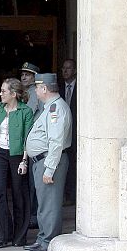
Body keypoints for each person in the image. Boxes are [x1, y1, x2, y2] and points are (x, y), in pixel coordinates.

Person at [24, 72, 72, 251]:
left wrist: (49, 169)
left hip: (49, 161)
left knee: (49, 204)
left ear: (44, 88)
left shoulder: (55, 109)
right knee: (44, 203)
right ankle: (43, 237)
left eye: (36, 87)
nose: (35, 90)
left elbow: (56, 142)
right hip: (42, 160)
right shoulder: (49, 107)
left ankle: (48, 240)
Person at [0, 78, 34, 248]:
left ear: (13, 94)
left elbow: (27, 137)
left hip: (17, 155)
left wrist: (24, 160)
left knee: (18, 194)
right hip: (0, 152)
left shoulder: (25, 111)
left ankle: (19, 236)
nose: (0, 94)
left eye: (4, 91)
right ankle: (3, 235)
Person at [20, 61, 42, 228]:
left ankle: (33, 216)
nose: (24, 76)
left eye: (28, 74)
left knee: (32, 183)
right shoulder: (25, 92)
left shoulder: (34, 92)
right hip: (27, 139)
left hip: (33, 140)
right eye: (23, 74)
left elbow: (28, 112)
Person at [59, 58, 77, 206]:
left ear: (75, 70)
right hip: (62, 134)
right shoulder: (57, 88)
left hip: (77, 133)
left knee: (74, 165)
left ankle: (73, 195)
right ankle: (65, 194)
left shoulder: (81, 87)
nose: (65, 71)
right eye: (63, 68)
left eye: (69, 68)